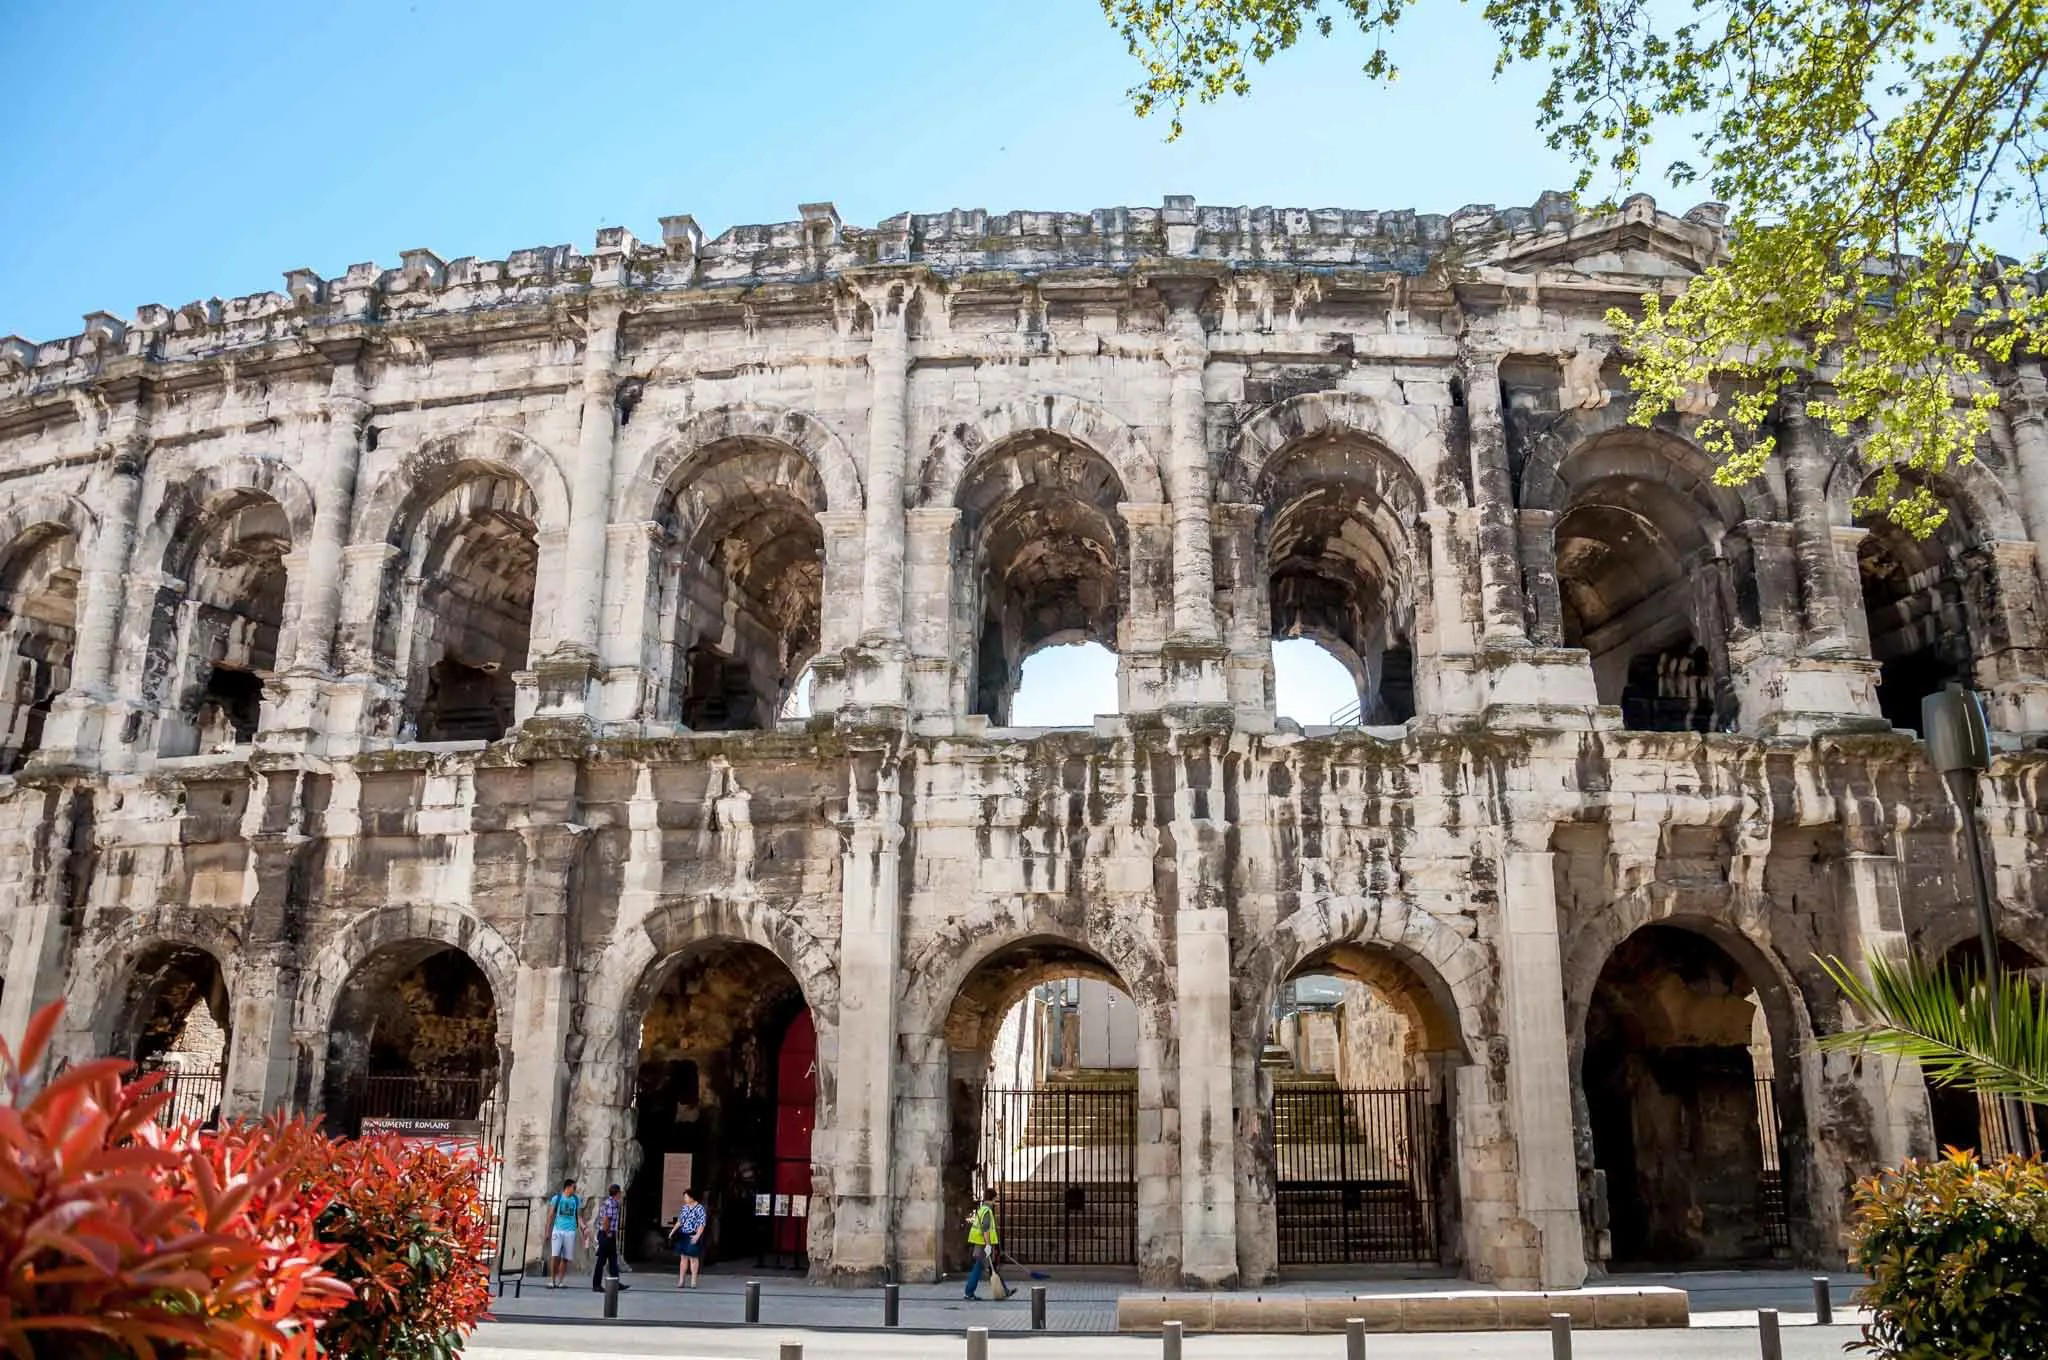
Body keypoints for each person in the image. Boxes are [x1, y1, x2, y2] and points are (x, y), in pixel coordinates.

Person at [544, 1178, 581, 1289]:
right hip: (558, 1229)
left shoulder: (576, 1199)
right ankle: (552, 1280)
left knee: (566, 1257)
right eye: (574, 1187)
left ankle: (560, 1281)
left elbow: (578, 1215)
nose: (575, 1190)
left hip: (570, 1230)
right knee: (555, 1256)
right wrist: (547, 1231)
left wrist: (583, 1228)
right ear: (568, 1187)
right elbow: (550, 1215)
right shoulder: (557, 1198)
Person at [591, 1183, 629, 1293]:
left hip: (608, 1234)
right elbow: (607, 1219)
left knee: (613, 1260)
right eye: (620, 1193)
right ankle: (596, 1284)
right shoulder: (612, 1203)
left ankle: (615, 1282)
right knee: (601, 1260)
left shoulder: (609, 1202)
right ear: (617, 1193)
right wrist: (608, 1233)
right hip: (606, 1234)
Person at [962, 1193, 1000, 1300]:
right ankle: (969, 1292)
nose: (996, 1201)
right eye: (995, 1198)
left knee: (982, 1267)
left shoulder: (982, 1209)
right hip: (983, 1244)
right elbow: (985, 1229)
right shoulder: (987, 1211)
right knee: (979, 1267)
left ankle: (1002, 1290)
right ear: (992, 1198)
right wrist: (988, 1245)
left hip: (979, 1243)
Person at [671, 1187, 707, 1289]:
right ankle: (681, 1280)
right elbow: (680, 1221)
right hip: (683, 1234)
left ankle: (693, 1280)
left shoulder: (700, 1208)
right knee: (683, 1258)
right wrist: (672, 1232)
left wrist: (697, 1235)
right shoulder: (684, 1207)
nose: (685, 1199)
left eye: (686, 1197)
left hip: (692, 1234)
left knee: (693, 1258)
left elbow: (701, 1224)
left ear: (692, 1197)